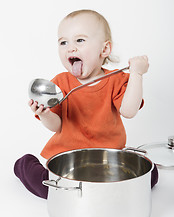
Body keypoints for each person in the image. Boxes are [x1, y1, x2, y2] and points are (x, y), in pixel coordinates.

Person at [14, 9, 158, 199]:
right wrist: (44, 114)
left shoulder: (117, 80)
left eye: (79, 40)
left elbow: (129, 111)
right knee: (49, 190)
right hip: (67, 161)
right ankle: (25, 164)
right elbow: (56, 126)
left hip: (106, 161)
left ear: (104, 49)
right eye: (63, 42)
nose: (70, 48)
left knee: (151, 175)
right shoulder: (60, 83)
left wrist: (137, 75)